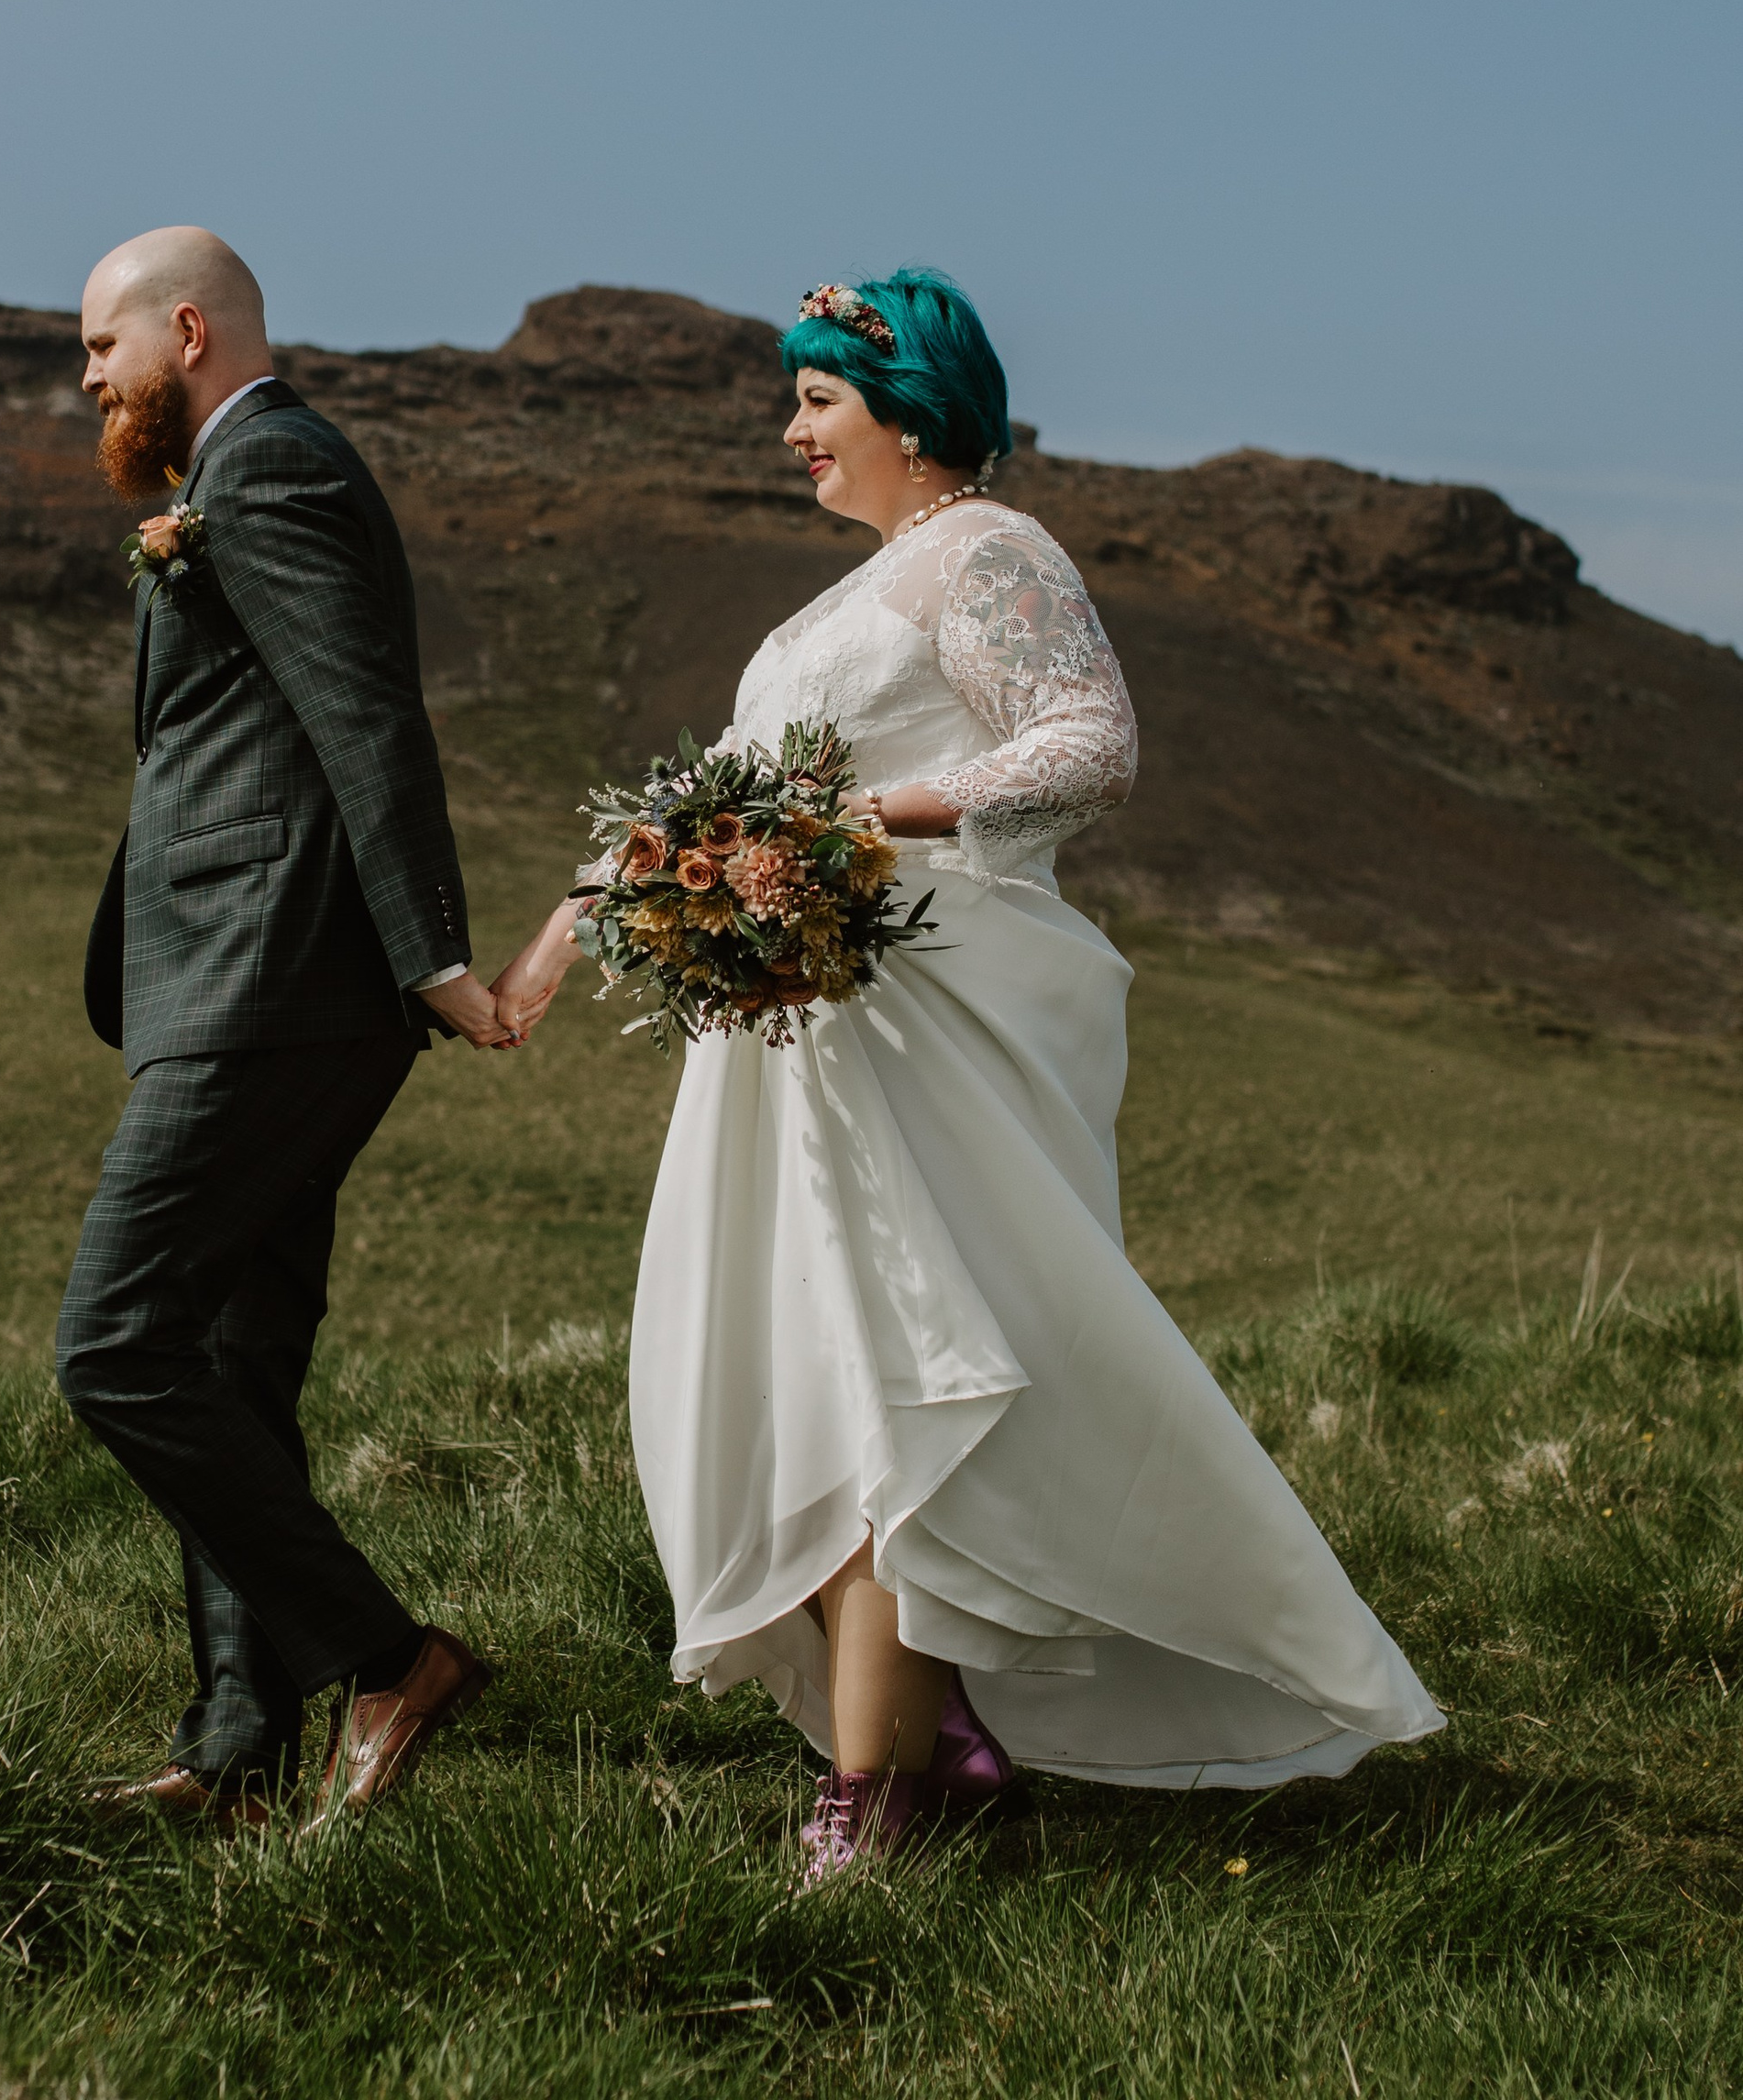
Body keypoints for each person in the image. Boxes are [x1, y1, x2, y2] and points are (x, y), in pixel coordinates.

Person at [490, 268, 1441, 1874]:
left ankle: (878, 1799)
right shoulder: (827, 609)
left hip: (922, 1035)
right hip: (794, 1050)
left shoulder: (991, 553)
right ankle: (937, 1723)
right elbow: (720, 801)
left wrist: (861, 823)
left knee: (886, 1393)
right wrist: (564, 933)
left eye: (817, 401)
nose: (790, 431)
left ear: (914, 413)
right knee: (766, 1386)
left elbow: (1087, 743)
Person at [56, 226, 514, 1833]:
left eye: (102, 345)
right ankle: (233, 1753)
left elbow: (363, 712)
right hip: (246, 983)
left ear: (186, 329)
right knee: (233, 1365)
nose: (89, 377)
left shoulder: (275, 471)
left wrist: (434, 954)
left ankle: (390, 1662)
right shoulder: (235, 474)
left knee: (114, 1343)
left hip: (273, 985)